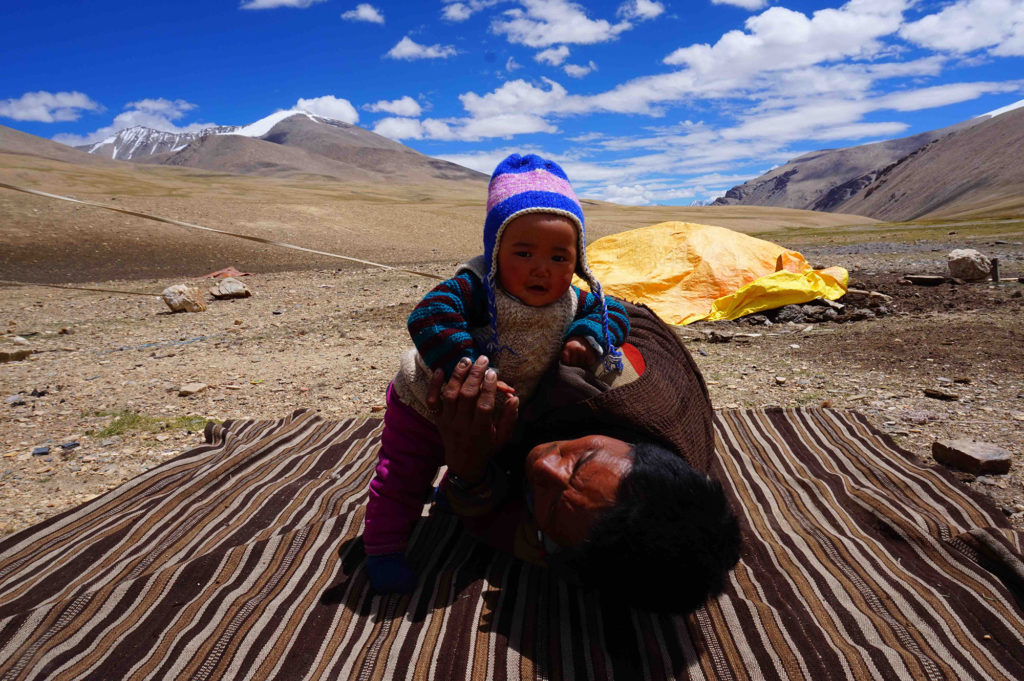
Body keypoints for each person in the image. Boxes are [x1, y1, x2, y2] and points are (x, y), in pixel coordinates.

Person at [363, 153, 630, 593]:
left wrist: (586, 338)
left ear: (578, 260)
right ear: (495, 252)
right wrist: (467, 367)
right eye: (523, 252)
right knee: (403, 477)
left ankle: (454, 496)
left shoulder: (574, 299)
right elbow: (429, 316)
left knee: (484, 461)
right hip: (424, 404)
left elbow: (612, 313)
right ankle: (383, 547)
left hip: (496, 411)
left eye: (559, 256)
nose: (541, 268)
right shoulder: (473, 286)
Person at [429, 302, 742, 614]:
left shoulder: (580, 551)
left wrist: (467, 469)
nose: (542, 466)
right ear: (628, 443)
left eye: (551, 508)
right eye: (580, 462)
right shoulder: (594, 376)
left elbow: (489, 522)